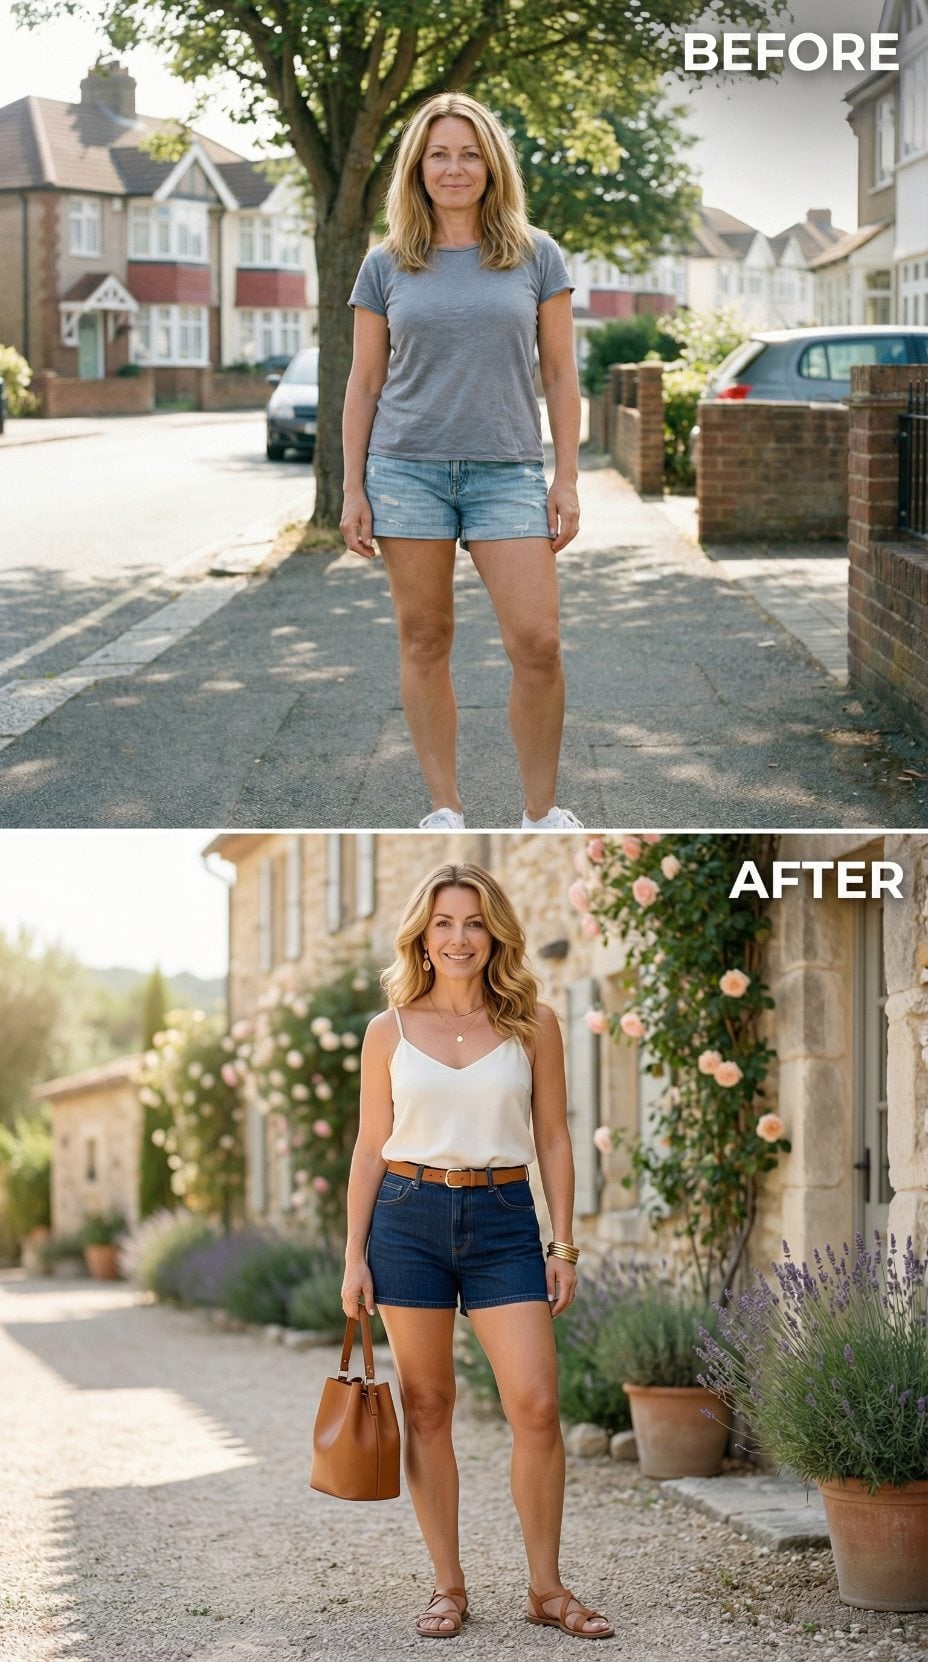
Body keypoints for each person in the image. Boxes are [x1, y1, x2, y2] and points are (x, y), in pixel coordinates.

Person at [341, 863, 614, 1642]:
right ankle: (448, 1588)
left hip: (501, 1219)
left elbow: (556, 1140)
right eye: (443, 924)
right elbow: (367, 1149)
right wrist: (353, 1256)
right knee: (428, 1406)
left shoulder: (534, 1024)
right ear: (422, 937)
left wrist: (562, 1242)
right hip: (406, 1216)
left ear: (494, 931)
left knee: (536, 1404)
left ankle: (546, 1588)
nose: (459, 938)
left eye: (473, 923)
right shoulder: (387, 1030)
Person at [340, 92, 583, 833]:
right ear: (417, 167)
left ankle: (539, 814)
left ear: (491, 164)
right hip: (405, 470)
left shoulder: (536, 255)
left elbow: (562, 373)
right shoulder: (386, 265)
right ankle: (445, 808)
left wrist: (566, 476)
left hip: (507, 470)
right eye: (439, 153)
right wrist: (352, 486)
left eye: (470, 153)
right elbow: (366, 380)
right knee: (424, 638)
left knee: (537, 642)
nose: (455, 167)